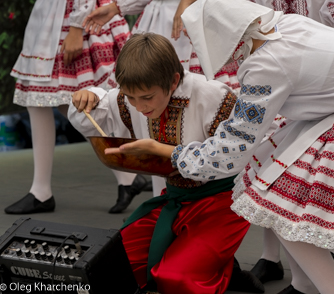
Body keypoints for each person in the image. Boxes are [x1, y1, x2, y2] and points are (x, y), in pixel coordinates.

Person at [110, 0, 334, 293]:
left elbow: (233, 149)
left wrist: (171, 153)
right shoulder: (280, 26)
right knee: (277, 194)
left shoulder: (266, 65)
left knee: (273, 199)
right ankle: (305, 285)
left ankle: (330, 290)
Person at [68, 33, 265, 294]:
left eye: (147, 98)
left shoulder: (211, 95)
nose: (139, 107)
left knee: (175, 278)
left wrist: (166, 151)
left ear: (173, 81)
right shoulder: (132, 96)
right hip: (174, 199)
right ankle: (219, 266)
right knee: (111, 261)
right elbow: (99, 108)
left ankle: (225, 273)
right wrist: (88, 96)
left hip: (222, 202)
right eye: (131, 97)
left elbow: (237, 154)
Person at [5, 0, 148, 215]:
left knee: (64, 101)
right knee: (59, 102)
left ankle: (41, 191)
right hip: (56, 16)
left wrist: (76, 27)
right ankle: (127, 178)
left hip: (73, 16)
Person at [81, 0, 241, 93]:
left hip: (191, 18)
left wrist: (185, 2)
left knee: (195, 94)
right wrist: (116, 7)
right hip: (155, 21)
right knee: (143, 92)